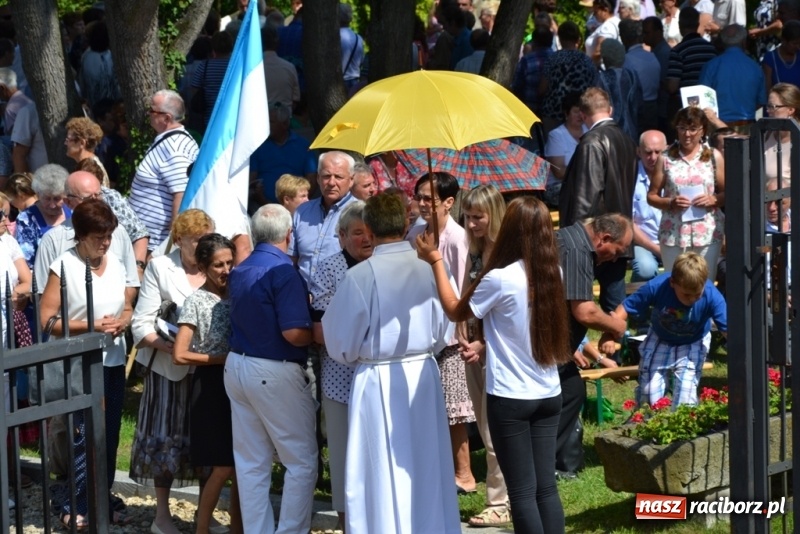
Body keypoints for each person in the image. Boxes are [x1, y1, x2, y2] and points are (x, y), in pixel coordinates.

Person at [416, 196, 571, 533]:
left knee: (522, 492)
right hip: (548, 392)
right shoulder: (553, 272)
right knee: (546, 488)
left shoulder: (500, 278)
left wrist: (435, 260)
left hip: (511, 397)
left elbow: (455, 310)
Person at [322, 193, 460, 534]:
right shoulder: (432, 269)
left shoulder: (360, 277)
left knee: (380, 466)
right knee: (426, 461)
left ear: (368, 230)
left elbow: (339, 342)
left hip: (377, 377)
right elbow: (446, 328)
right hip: (423, 373)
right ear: (406, 224)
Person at [39, 199, 135, 529]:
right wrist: (92, 325)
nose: (105, 242)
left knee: (108, 435)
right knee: (82, 436)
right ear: (80, 235)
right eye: (98, 237)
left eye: (109, 235)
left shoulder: (116, 263)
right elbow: (48, 320)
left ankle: (101, 497)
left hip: (112, 360)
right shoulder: (63, 266)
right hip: (78, 364)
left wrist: (123, 321)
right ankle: (77, 502)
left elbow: (127, 306)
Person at [225, 204, 316, 534]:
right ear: (289, 235)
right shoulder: (284, 272)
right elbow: (293, 333)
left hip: (238, 365)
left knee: (251, 462)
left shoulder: (240, 269)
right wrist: (318, 334)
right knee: (301, 462)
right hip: (273, 369)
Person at [129, 209, 214, 534]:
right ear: (179, 239)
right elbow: (141, 323)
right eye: (196, 240)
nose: (203, 246)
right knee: (164, 441)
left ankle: (204, 516)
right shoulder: (161, 267)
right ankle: (161, 516)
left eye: (207, 238)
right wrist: (172, 348)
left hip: (209, 370)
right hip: (169, 370)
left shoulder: (217, 263)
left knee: (207, 441)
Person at [406, 172, 476, 495]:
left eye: (429, 199)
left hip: (450, 331)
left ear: (449, 202)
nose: (422, 204)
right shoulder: (415, 233)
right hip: (421, 326)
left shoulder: (458, 238)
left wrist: (461, 329)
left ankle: (464, 473)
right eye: (418, 197)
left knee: (454, 408)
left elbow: (462, 286)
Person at [174, 233, 242, 534]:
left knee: (241, 465)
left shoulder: (239, 292)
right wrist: (219, 358)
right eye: (218, 265)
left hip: (240, 382)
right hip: (212, 387)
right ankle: (202, 528)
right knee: (223, 464)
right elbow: (180, 354)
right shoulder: (196, 301)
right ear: (203, 267)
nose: (226, 270)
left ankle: (239, 527)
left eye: (229, 263)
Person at [309, 201, 372, 530]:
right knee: (344, 453)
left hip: (377, 377)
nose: (366, 238)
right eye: (358, 232)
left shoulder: (381, 265)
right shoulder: (328, 269)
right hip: (339, 378)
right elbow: (320, 331)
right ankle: (347, 523)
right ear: (342, 236)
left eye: (370, 231)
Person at [554, 214, 630, 477]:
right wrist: (616, 326)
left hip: (555, 344)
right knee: (567, 393)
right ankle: (548, 464)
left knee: (571, 390)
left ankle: (555, 463)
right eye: (616, 251)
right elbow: (585, 311)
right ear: (604, 238)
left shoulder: (569, 239)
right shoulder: (578, 251)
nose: (614, 259)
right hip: (544, 345)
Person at [600, 252, 727, 407]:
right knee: (650, 393)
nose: (692, 299)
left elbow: (727, 329)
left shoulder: (712, 295)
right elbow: (626, 307)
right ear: (672, 282)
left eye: (697, 294)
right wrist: (609, 335)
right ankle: (646, 417)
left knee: (685, 396)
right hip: (661, 337)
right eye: (686, 295)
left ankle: (684, 418)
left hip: (693, 340)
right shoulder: (657, 286)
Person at [455, 185, 512, 527]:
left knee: (494, 431)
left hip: (499, 352)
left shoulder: (507, 256)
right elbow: (466, 297)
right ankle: (505, 498)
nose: (472, 224)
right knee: (485, 424)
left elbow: (511, 314)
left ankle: (499, 502)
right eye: (467, 217)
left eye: (478, 217)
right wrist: (463, 331)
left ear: (495, 215)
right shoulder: (474, 252)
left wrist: (483, 343)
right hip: (473, 350)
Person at [560, 87, 638, 314]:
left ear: (583, 115)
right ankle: (617, 339)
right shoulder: (627, 140)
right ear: (610, 109)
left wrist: (574, 241)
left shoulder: (592, 142)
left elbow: (586, 196)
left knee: (576, 308)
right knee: (615, 309)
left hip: (595, 241)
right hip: (620, 235)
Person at [647, 106, 724, 280]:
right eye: (682, 128)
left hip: (707, 233)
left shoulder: (714, 156)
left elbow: (728, 193)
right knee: (674, 281)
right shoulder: (665, 157)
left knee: (705, 282)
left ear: (702, 130)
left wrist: (713, 199)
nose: (687, 134)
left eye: (692, 129)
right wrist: (670, 202)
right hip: (673, 233)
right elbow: (651, 196)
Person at [128, 89, 199, 253]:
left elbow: (181, 194)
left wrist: (170, 244)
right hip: (146, 240)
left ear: (166, 118)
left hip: (155, 245)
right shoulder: (171, 140)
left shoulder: (174, 148)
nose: (148, 113)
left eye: (152, 110)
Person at [698, 24, 766, 131]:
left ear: (722, 42)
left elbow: (702, 99)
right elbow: (761, 101)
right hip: (746, 126)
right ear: (744, 42)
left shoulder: (710, 66)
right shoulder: (755, 67)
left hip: (716, 126)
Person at [539, 22, 599, 130]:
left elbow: (542, 88)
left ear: (560, 39)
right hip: (580, 114)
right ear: (577, 39)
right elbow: (594, 89)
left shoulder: (552, 59)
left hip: (553, 113)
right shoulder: (588, 62)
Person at [16, 164, 71, 269]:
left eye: (57, 198)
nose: (52, 205)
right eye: (47, 198)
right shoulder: (26, 219)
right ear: (38, 195)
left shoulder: (73, 210)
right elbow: (28, 262)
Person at [632, 130, 667, 282]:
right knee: (645, 269)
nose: (653, 158)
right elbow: (628, 223)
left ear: (666, 149)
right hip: (643, 243)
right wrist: (656, 249)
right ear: (638, 152)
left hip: (675, 241)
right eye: (648, 152)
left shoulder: (677, 174)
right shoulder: (629, 177)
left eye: (658, 152)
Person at [543, 92, 587, 208]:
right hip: (559, 186)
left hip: (583, 184)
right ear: (567, 114)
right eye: (576, 112)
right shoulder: (556, 135)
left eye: (582, 112)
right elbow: (559, 172)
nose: (580, 115)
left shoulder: (590, 131)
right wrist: (586, 171)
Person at [64, 117, 110, 187]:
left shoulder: (91, 169)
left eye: (68, 140)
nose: (65, 143)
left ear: (82, 143)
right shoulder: (87, 165)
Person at [762, 21, 800, 92]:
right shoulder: (770, 59)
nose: (798, 47)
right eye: (794, 43)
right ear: (784, 41)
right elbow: (767, 88)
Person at [585, 0, 621, 65]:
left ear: (605, 10)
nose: (594, 15)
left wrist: (587, 66)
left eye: (596, 12)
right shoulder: (616, 21)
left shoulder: (607, 27)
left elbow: (598, 52)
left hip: (600, 68)